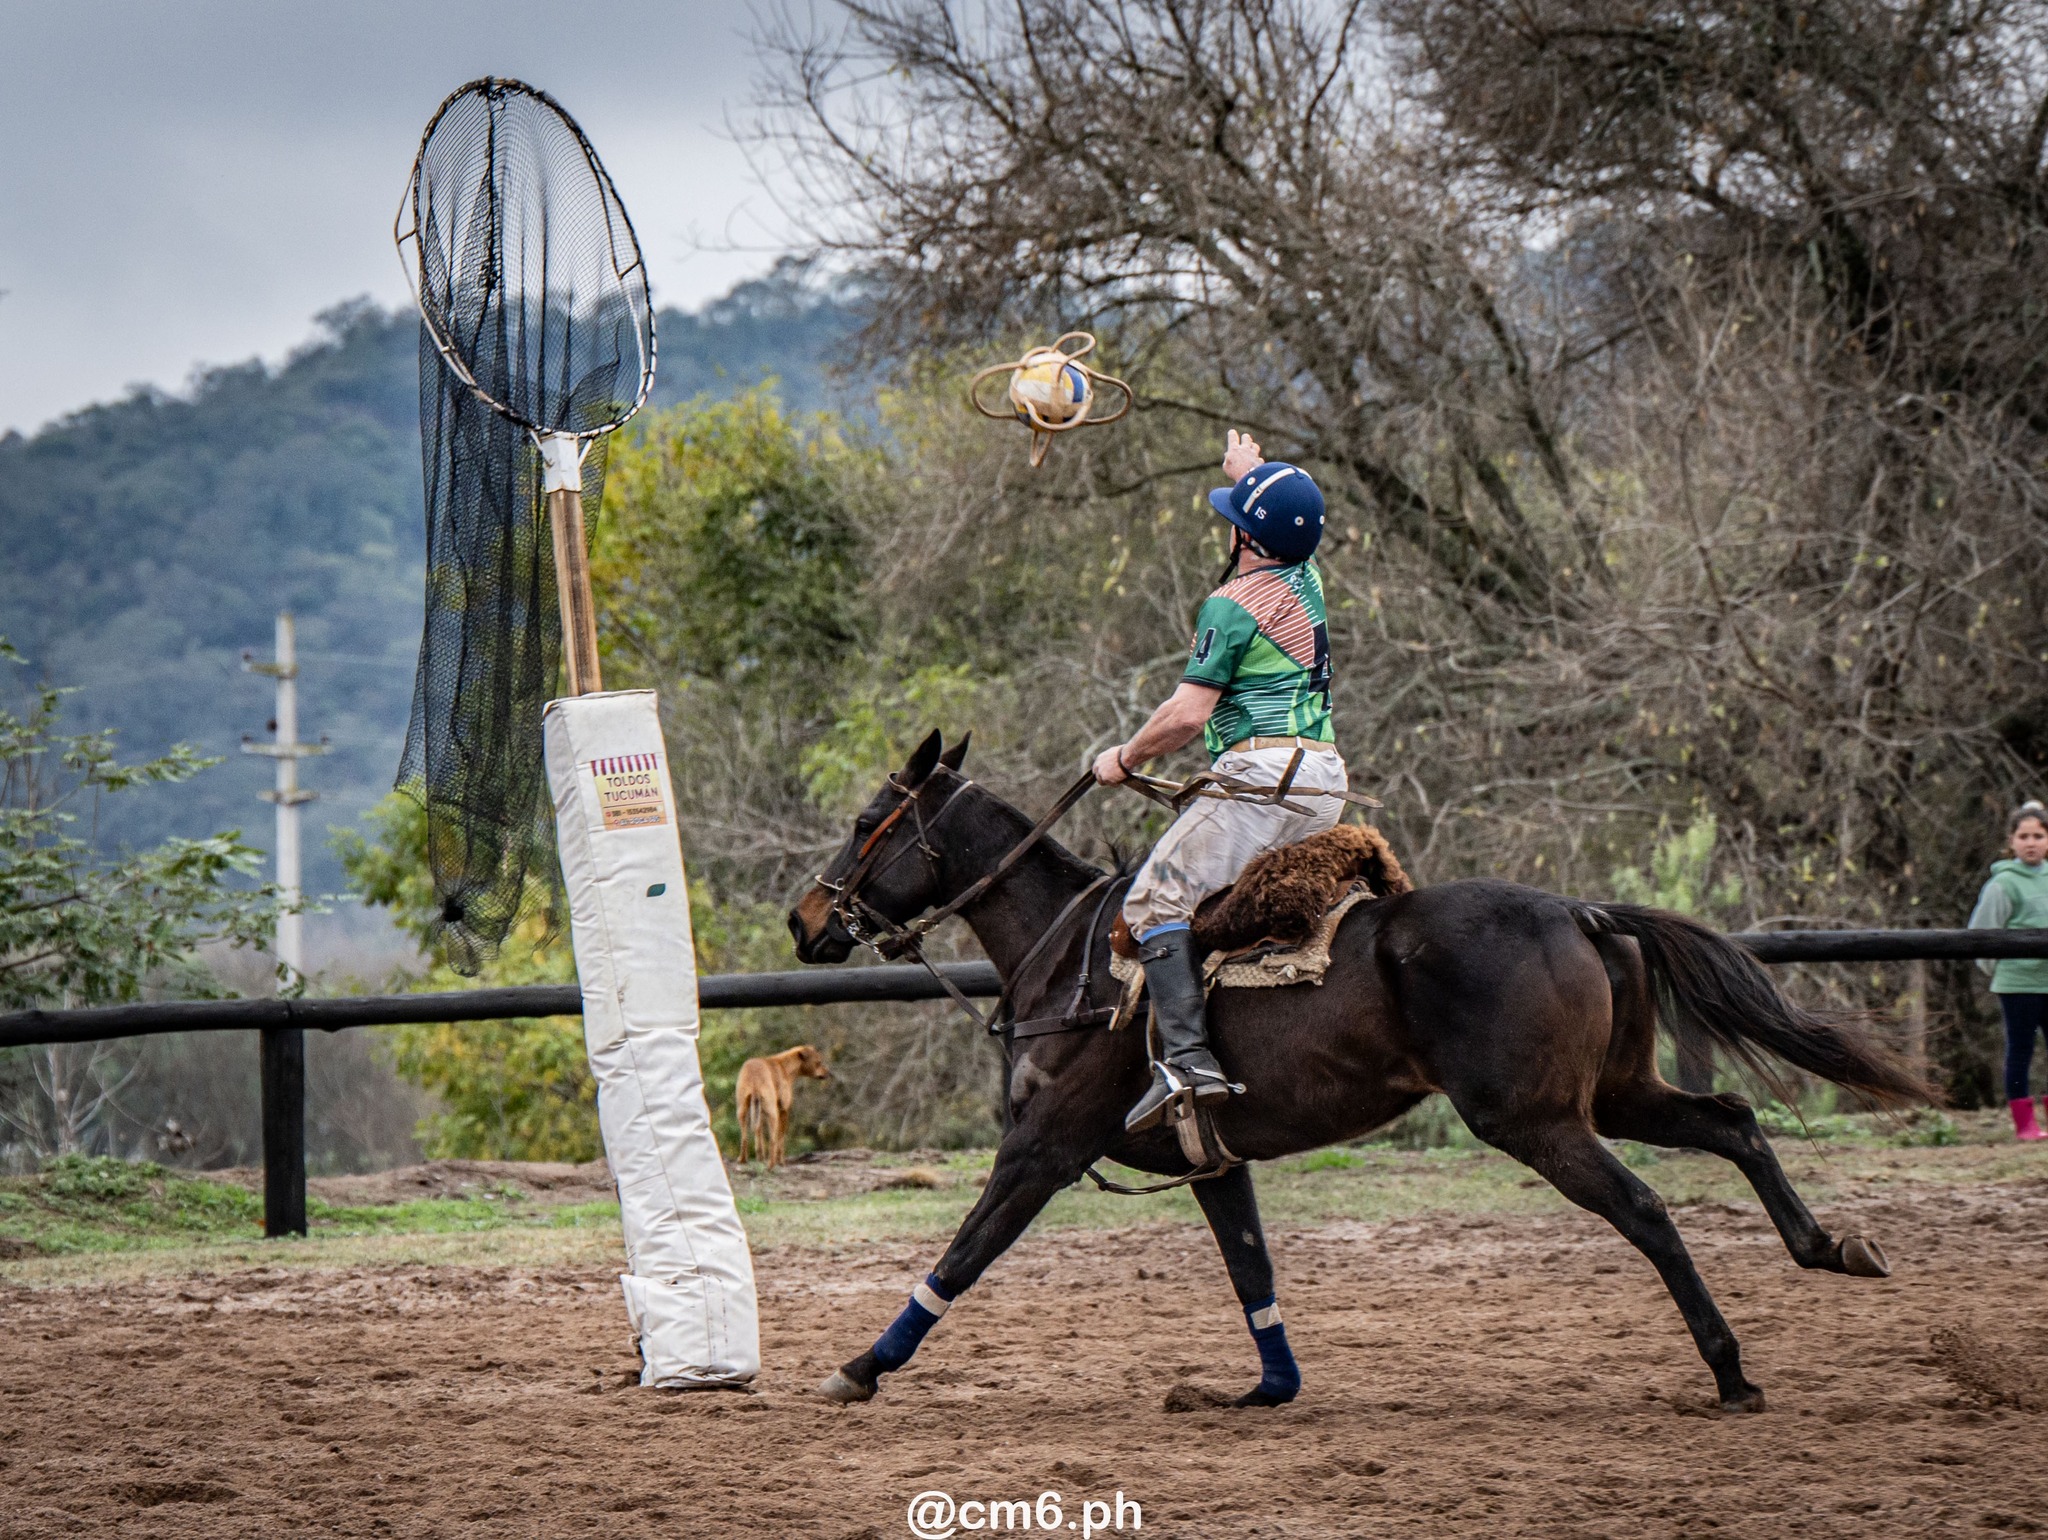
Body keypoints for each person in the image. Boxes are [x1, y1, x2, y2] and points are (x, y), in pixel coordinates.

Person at [1092, 429, 1346, 1132]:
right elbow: (1284, 521)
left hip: (1261, 778)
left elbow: (1186, 715)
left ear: (1247, 538)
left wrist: (1125, 759)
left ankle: (1188, 1063)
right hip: (1323, 780)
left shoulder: (1231, 604)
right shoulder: (1307, 575)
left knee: (1155, 901)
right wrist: (1251, 476)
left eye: (1236, 517)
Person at [1967, 800, 2048, 1142]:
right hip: (2018, 983)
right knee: (2020, 1050)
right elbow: (1982, 934)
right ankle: (2025, 1123)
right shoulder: (2002, 884)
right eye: (2023, 836)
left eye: (2038, 836)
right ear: (2011, 841)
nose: (2031, 843)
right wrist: (1999, 971)